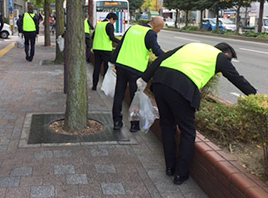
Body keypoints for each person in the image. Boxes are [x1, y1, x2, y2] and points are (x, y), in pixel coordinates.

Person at [137, 42, 257, 185]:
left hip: (160, 82)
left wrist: (144, 78)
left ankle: (170, 168)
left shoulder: (191, 45)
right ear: (226, 54)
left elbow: (162, 58)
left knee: (167, 125)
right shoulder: (220, 58)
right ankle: (180, 174)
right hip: (181, 88)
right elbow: (237, 78)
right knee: (188, 131)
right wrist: (254, 95)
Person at [111, 16, 165, 132]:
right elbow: (157, 51)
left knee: (119, 94)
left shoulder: (131, 28)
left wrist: (114, 63)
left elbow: (120, 46)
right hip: (135, 70)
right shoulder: (150, 33)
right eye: (160, 29)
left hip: (121, 65)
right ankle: (134, 125)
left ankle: (117, 121)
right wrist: (168, 57)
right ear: (156, 26)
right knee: (135, 98)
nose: (159, 31)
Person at [91, 12, 120, 91]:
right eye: (114, 21)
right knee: (107, 69)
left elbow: (93, 36)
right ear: (111, 19)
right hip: (106, 50)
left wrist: (92, 47)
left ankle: (94, 86)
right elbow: (111, 37)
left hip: (97, 49)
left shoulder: (98, 25)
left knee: (97, 68)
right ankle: (105, 87)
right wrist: (120, 42)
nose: (113, 23)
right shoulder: (109, 25)